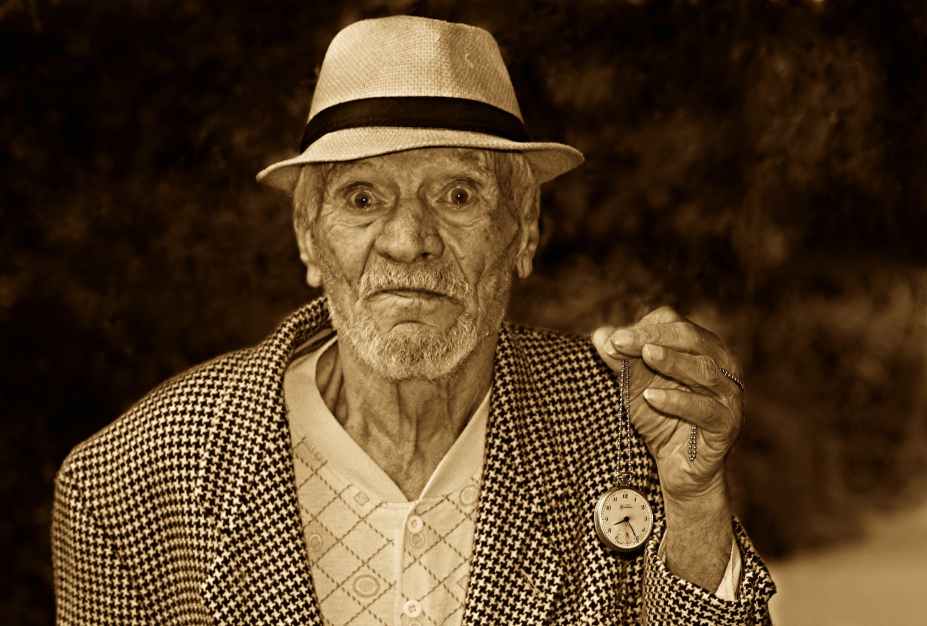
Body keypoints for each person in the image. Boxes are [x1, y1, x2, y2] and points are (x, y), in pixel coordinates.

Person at [52, 15, 775, 625]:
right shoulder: (130, 482)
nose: (408, 240)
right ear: (308, 234)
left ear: (522, 231)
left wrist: (694, 503)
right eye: (363, 199)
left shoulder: (625, 429)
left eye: (457, 195)